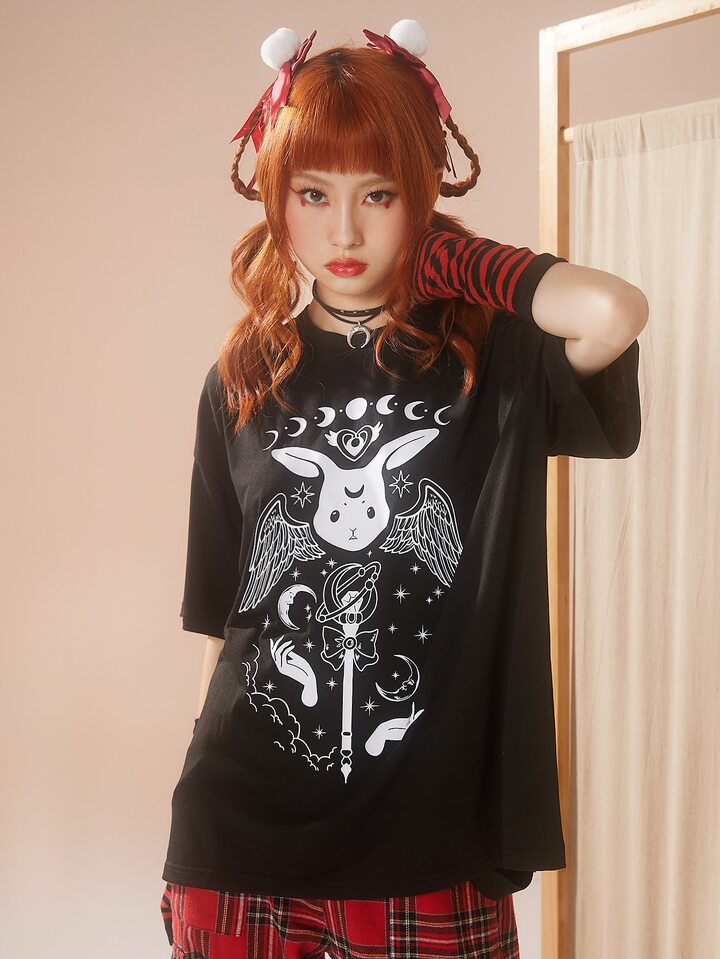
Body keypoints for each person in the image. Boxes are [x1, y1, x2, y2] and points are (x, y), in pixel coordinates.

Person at [160, 20, 645, 959]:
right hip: (236, 839)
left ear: (418, 195)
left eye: (378, 194)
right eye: (314, 193)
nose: (344, 231)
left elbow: (614, 313)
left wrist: (451, 261)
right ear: (278, 196)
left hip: (427, 843)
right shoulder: (243, 377)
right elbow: (225, 620)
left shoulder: (489, 357)